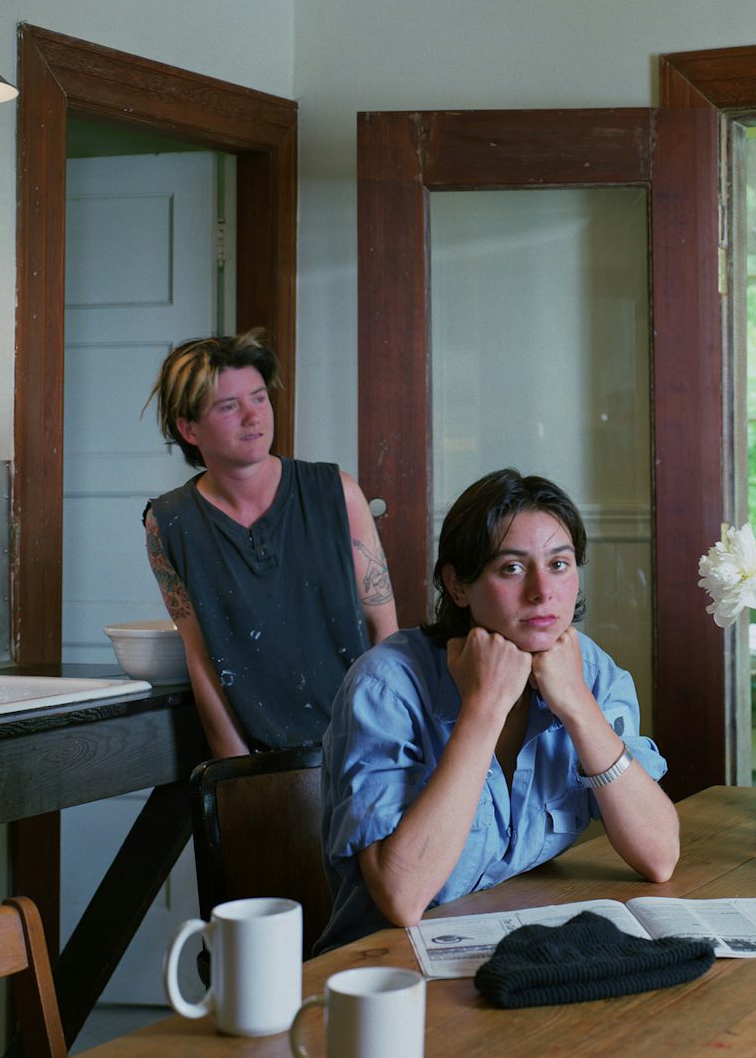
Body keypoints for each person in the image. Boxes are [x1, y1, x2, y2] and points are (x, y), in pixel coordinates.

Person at [315, 469, 678, 950]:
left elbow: (659, 856)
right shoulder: (386, 686)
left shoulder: (588, 669)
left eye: (560, 564)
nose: (542, 591)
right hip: (386, 969)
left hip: (512, 946)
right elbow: (403, 899)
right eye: (511, 568)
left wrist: (577, 706)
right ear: (457, 585)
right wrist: (482, 710)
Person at [143, 329, 396, 757]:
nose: (253, 416)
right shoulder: (168, 523)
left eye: (259, 398)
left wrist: (386, 744)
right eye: (228, 406)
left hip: (362, 747)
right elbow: (201, 658)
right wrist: (236, 775)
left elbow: (384, 631)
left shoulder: (336, 493)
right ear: (189, 429)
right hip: (257, 754)